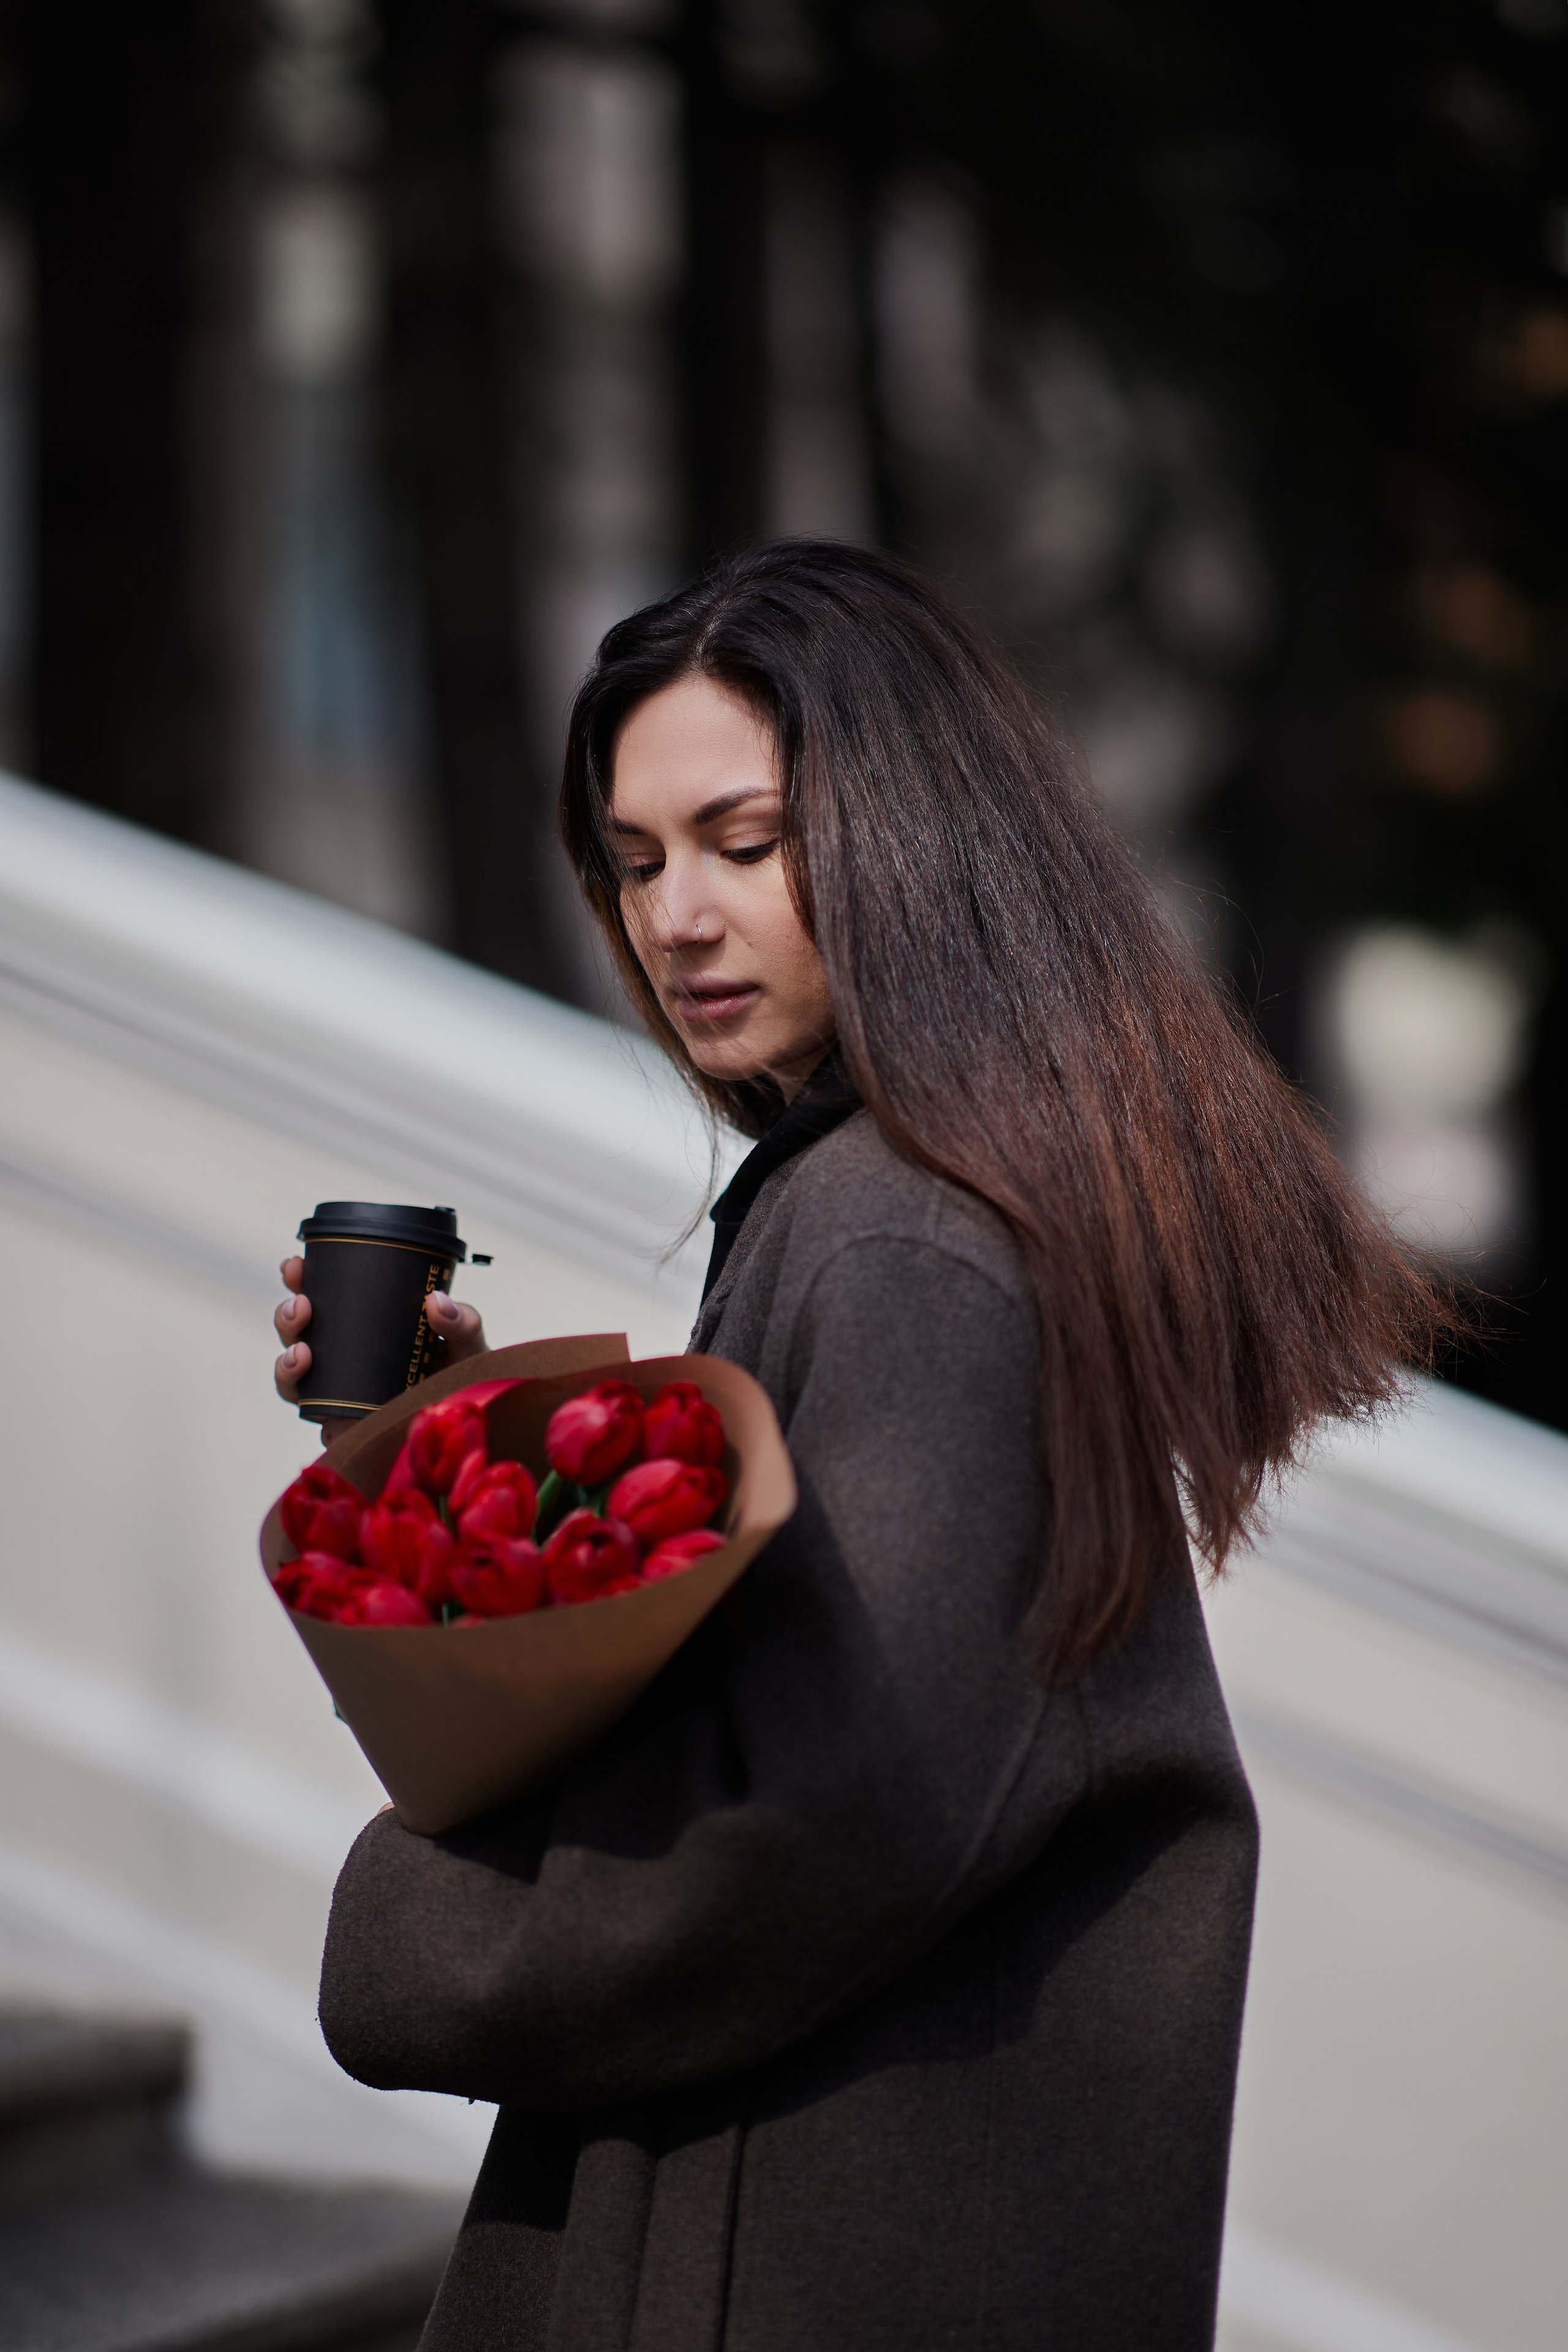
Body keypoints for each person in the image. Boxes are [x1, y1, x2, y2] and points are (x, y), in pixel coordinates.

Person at [275, 541, 1449, 2351]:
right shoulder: (922, 1187)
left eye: (746, 844)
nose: (676, 918)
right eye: (638, 859)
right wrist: (466, 1455)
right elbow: (826, 1661)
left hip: (801, 2243)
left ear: (912, 837)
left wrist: (424, 1939)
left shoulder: (908, 1229)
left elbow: (839, 1797)